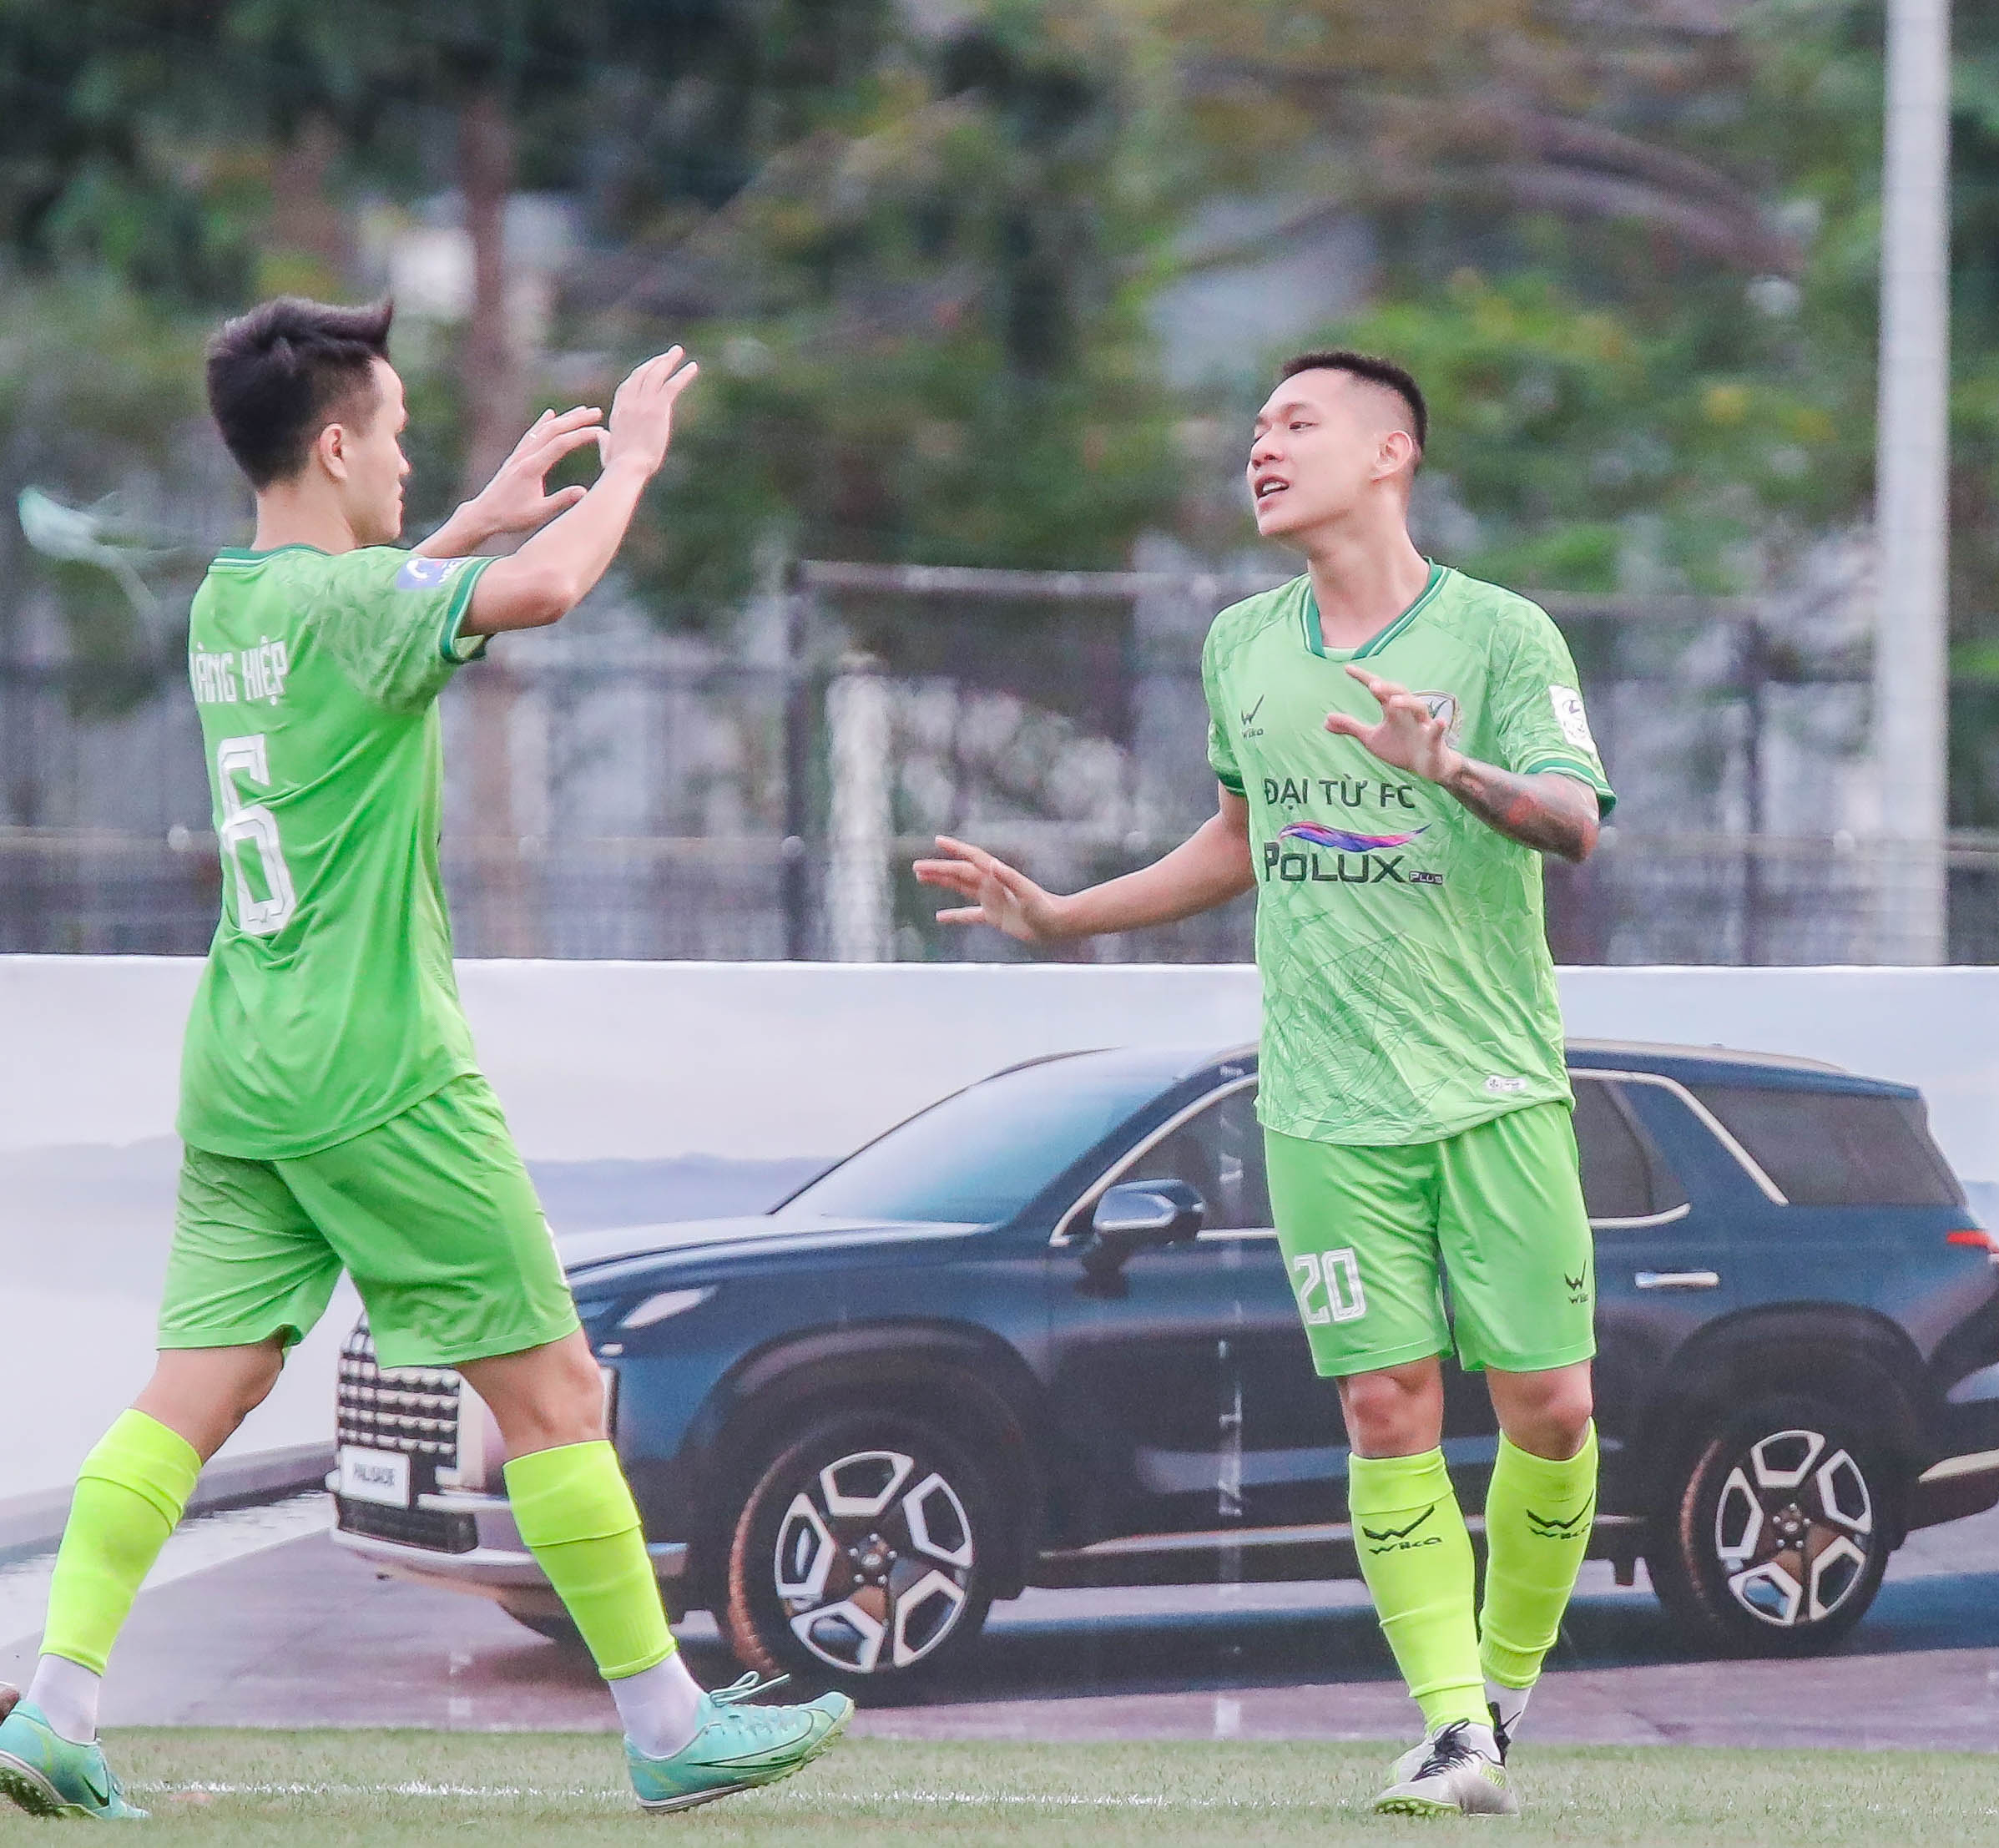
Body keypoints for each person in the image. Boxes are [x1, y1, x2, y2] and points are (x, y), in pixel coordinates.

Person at [0, 298, 851, 1820]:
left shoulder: (229, 606)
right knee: (557, 1392)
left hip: (243, 1063)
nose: (408, 460)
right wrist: (627, 469)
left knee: (197, 1389)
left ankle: (55, 1704)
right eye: (395, 434)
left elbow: (370, 607)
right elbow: (549, 590)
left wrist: (472, 518)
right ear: (335, 445)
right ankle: (668, 1723)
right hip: (377, 1066)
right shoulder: (358, 604)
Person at [916, 350, 1612, 1817]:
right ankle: (1451, 1729)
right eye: (1254, 426)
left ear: (1389, 454)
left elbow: (1572, 822)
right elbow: (1238, 837)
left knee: (1550, 1408)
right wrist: (1065, 915)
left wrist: (1449, 770)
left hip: (1493, 1085)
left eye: (1297, 422)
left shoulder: (1499, 632)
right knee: (1385, 1409)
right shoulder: (1242, 644)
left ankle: (1501, 1687)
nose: (1262, 446)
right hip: (1323, 1103)